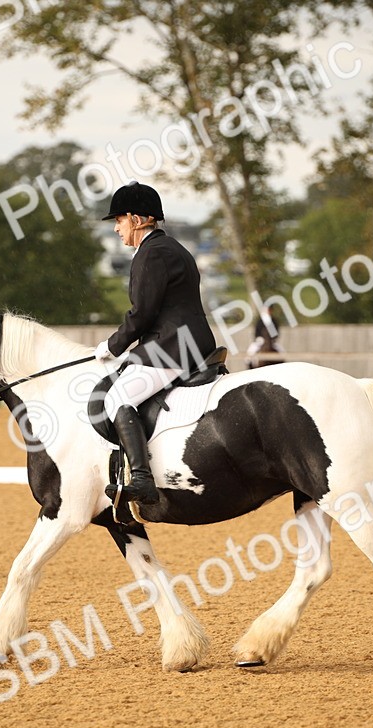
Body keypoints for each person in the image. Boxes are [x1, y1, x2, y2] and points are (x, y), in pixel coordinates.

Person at [94, 182, 218, 504]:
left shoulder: (151, 254)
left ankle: (142, 479)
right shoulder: (174, 248)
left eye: (119, 221)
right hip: (190, 340)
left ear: (138, 219)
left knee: (117, 398)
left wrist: (112, 346)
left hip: (175, 346)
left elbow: (143, 314)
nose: (117, 229)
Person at [245, 304, 284, 369]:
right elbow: (256, 332)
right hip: (260, 341)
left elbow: (276, 333)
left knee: (282, 351)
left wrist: (273, 339)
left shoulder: (274, 321)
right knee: (250, 351)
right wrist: (259, 338)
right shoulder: (260, 321)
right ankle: (249, 365)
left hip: (272, 342)